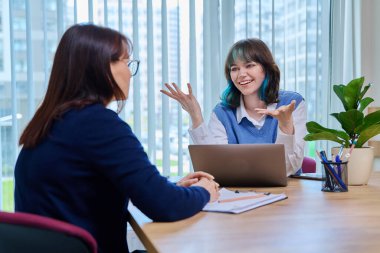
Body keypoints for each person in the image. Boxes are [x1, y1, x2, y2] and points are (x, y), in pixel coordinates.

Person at [14, 23, 219, 253]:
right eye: (126, 61)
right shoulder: (97, 123)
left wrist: (171, 188)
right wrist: (204, 190)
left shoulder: (51, 121)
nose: (130, 71)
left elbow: (86, 192)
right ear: (100, 68)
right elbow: (165, 206)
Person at [161, 38, 306, 176]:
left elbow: (289, 168)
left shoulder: (291, 104)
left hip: (288, 194)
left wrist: (286, 126)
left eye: (249, 65)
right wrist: (196, 116)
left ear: (266, 69)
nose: (241, 74)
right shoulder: (222, 112)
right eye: (235, 68)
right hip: (237, 193)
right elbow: (213, 167)